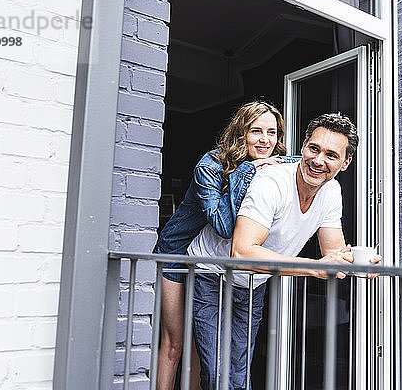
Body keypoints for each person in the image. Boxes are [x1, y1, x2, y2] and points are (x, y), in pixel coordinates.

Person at [187, 113, 382, 390]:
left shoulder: (331, 192)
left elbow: (334, 252)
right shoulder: (272, 182)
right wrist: (316, 266)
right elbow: (241, 254)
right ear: (303, 146)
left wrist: (358, 263)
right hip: (211, 273)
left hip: (253, 282)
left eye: (331, 155)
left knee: (239, 370)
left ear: (345, 162)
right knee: (218, 371)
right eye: (314, 149)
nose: (318, 160)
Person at [154, 100, 298, 390]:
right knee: (176, 342)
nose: (265, 140)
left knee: (202, 347)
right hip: (178, 252)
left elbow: (308, 163)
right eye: (256, 131)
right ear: (240, 133)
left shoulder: (274, 163)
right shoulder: (211, 165)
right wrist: (248, 170)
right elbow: (222, 225)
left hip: (211, 259)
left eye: (272, 133)